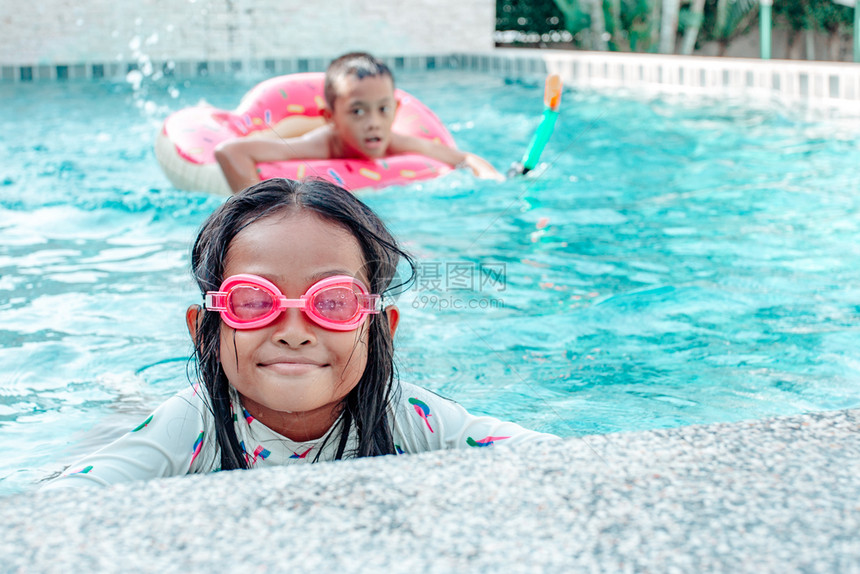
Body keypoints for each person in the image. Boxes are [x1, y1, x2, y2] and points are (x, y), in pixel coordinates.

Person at [45, 178, 557, 489]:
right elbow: (62, 504)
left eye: (333, 303)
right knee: (126, 419)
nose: (293, 332)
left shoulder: (407, 416)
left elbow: (558, 461)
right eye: (254, 302)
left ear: (381, 330)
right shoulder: (189, 426)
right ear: (207, 326)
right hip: (158, 419)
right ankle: (126, 400)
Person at [214, 52, 504, 193]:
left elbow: (463, 158)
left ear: (396, 109)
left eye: (383, 109)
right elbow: (230, 152)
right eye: (357, 112)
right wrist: (257, 211)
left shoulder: (392, 140)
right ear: (331, 118)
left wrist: (494, 180)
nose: (374, 123)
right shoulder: (319, 145)